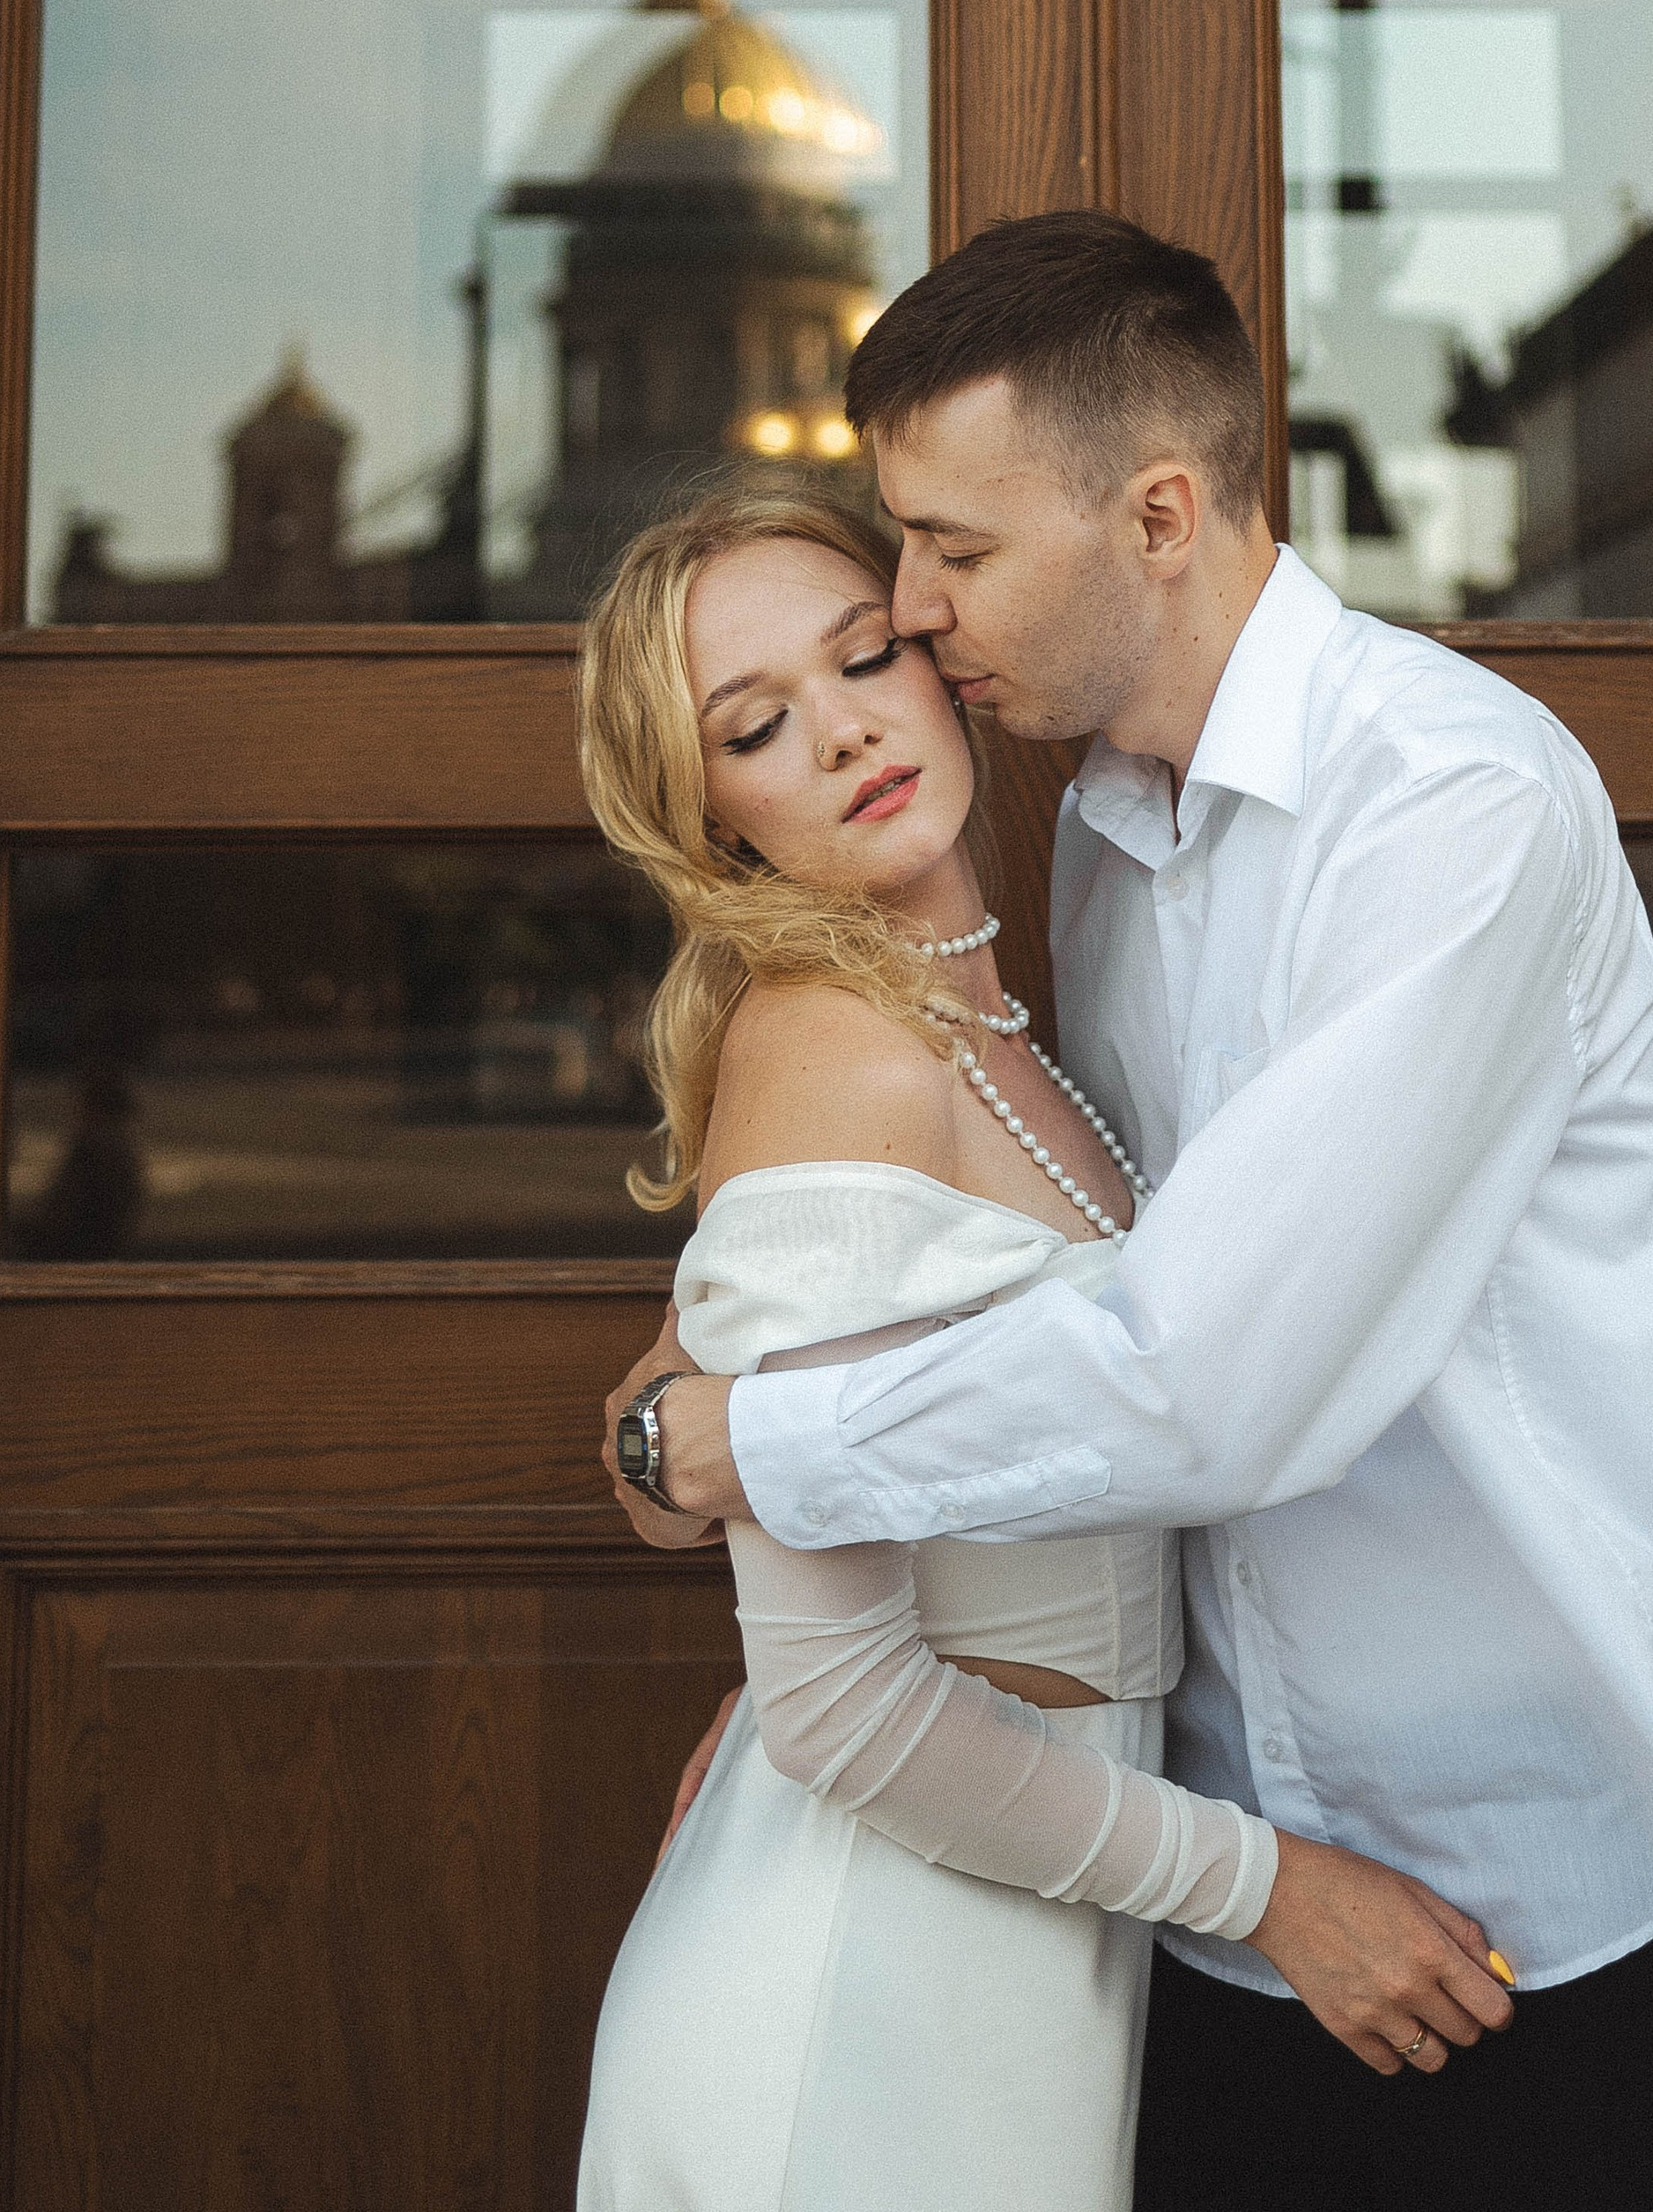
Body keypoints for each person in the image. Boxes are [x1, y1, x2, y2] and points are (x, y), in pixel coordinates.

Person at [609, 209, 1653, 2212]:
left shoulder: (1449, 805)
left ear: (1159, 515)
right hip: (1224, 1932)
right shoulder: (1102, 846)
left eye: (949, 553)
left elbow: (1206, 1376)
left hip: (1581, 1896)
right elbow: (953, 1337)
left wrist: (759, 1453)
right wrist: (818, 1635)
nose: (913, 618)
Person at [574, 486, 1513, 2212]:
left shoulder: (1000, 1020)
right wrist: (1276, 1892)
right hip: (855, 1993)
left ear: (940, 663)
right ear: (708, 815)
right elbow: (842, 1708)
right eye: (756, 726)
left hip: (1016, 1948)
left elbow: (685, 1425)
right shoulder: (835, 1053)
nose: (843, 730)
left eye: (864, 655)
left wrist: (761, 1569)